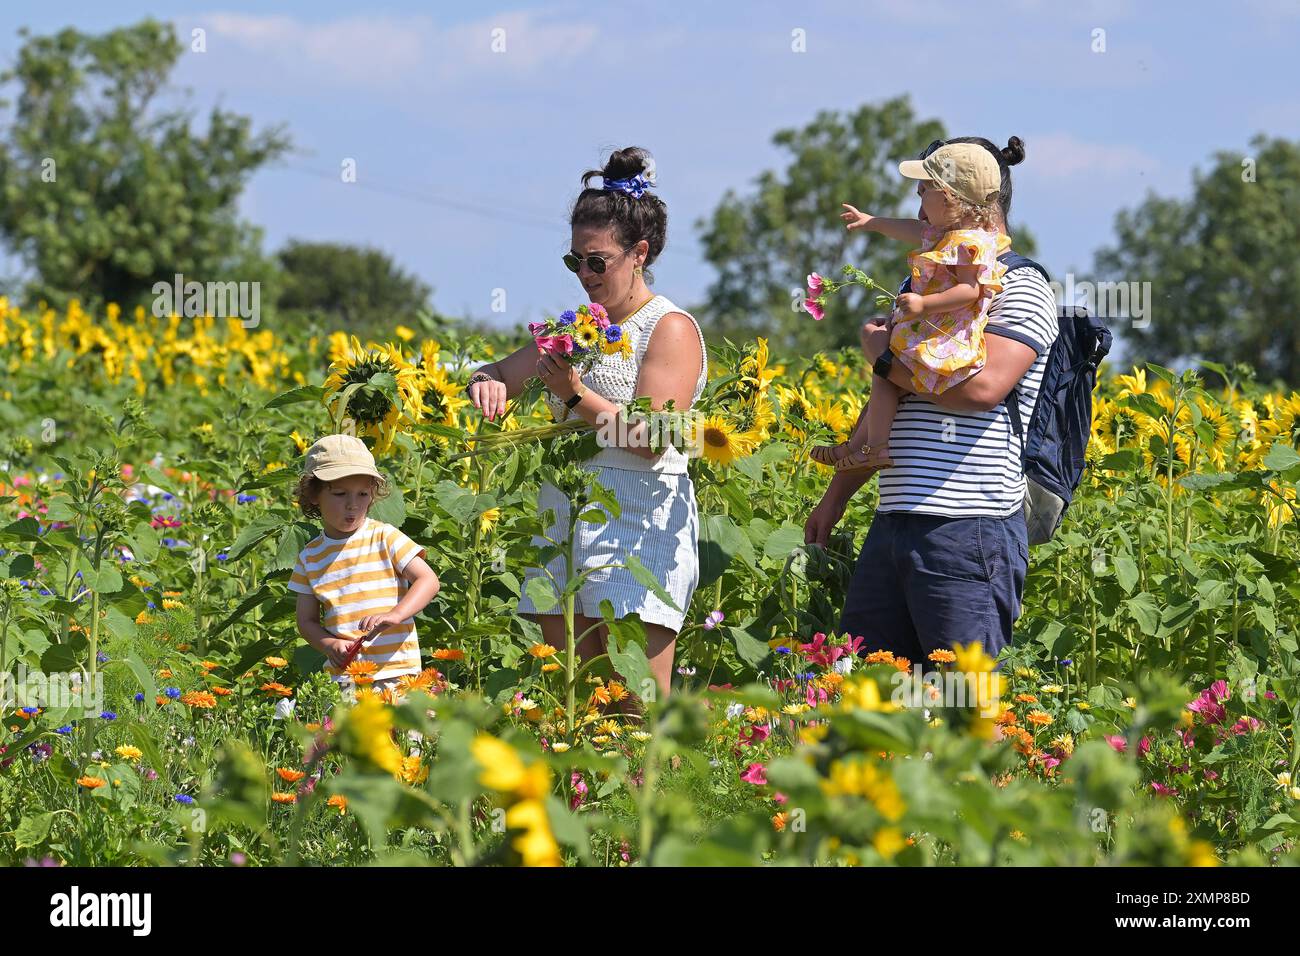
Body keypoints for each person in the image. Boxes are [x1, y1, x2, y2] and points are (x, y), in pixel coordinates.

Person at [464, 146, 708, 699]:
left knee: (633, 706)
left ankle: (655, 791)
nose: (584, 274)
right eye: (575, 260)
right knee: (564, 700)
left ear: (639, 253)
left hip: (640, 526)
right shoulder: (575, 328)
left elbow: (652, 440)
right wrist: (486, 381)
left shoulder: (667, 329)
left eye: (597, 261)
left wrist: (573, 395)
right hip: (565, 525)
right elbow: (501, 369)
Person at [804, 136, 1055, 664]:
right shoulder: (929, 276)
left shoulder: (1019, 285)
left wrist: (884, 357)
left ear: (965, 202)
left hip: (969, 527)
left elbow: (984, 391)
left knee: (962, 706)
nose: (918, 201)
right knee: (867, 699)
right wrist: (837, 496)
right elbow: (889, 397)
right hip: (895, 518)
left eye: (929, 188)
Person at [811, 142, 1011, 476]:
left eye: (922, 193)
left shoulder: (969, 243)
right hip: (930, 329)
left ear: (948, 196)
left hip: (945, 338)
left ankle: (872, 447)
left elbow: (970, 290)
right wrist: (871, 221)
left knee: (884, 367)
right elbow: (912, 229)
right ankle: (860, 445)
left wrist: (922, 304)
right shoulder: (950, 233)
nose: (918, 204)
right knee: (885, 373)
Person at [289, 434, 441, 695]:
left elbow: (428, 581)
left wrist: (395, 615)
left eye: (362, 494)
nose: (353, 505)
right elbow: (306, 621)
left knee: (403, 734)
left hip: (397, 670)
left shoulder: (384, 536)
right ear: (313, 494)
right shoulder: (310, 556)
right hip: (345, 676)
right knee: (348, 736)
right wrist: (328, 645)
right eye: (339, 494)